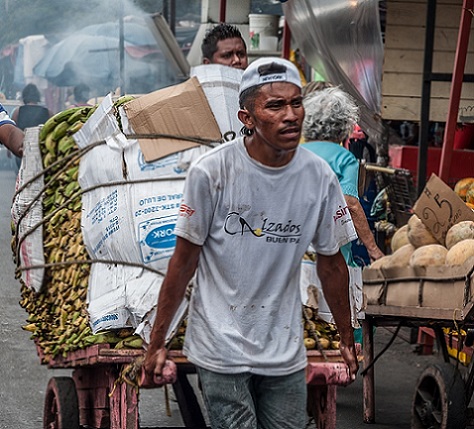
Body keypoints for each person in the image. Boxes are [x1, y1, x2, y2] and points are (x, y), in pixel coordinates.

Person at [144, 57, 359, 429]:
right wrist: (157, 341)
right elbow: (182, 263)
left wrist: (346, 338)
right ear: (247, 118)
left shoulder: (318, 177)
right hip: (220, 344)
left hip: (284, 347)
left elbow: (332, 263)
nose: (290, 115)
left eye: (295, 103)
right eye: (275, 106)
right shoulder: (211, 172)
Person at [301, 86, 384, 263]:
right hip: (331, 255)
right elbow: (351, 205)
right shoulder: (344, 158)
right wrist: (373, 248)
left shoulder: (295, 152)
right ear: (344, 125)